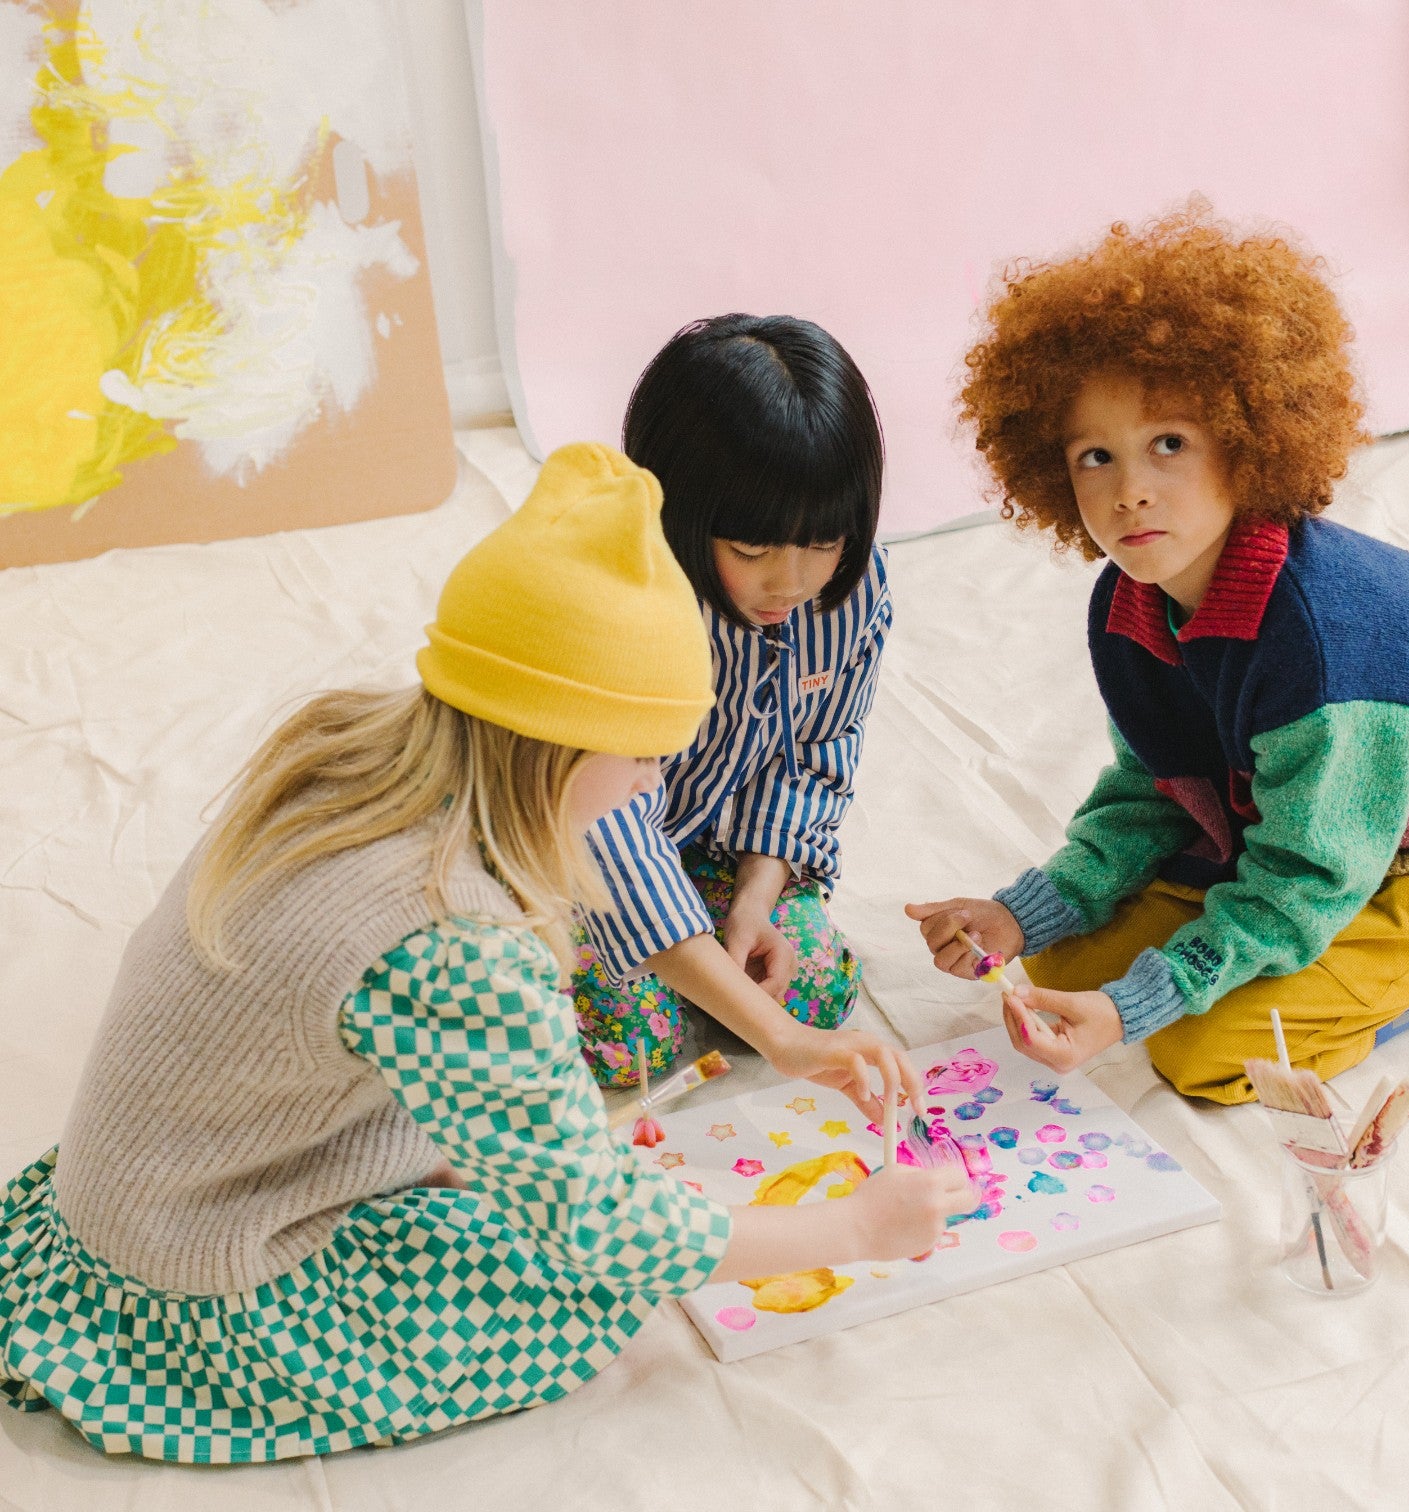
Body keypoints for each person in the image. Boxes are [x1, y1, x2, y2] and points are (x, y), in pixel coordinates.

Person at [0, 444, 971, 1462]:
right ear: (555, 744)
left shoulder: (347, 756)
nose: (649, 791)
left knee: (567, 1183)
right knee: (585, 1294)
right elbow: (600, 1236)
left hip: (138, 1201)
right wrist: (858, 1231)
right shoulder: (454, 940)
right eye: (640, 757)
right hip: (203, 1277)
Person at [910, 209, 1409, 1103]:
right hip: (1285, 815)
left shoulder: (1334, 639)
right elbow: (1153, 793)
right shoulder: (1130, 602)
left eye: (1169, 443)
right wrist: (1017, 913)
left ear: (1248, 433)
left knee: (1205, 1054)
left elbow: (1311, 872)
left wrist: (1143, 1004)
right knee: (1062, 967)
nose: (1129, 491)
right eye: (1094, 457)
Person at [574, 315, 902, 1098]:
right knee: (631, 1046)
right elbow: (601, 829)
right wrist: (779, 1041)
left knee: (812, 985)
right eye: (751, 551)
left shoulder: (852, 594)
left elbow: (817, 753)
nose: (789, 583)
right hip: (573, 858)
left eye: (824, 543)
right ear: (676, 512)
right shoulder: (612, 606)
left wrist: (756, 893)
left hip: (713, 842)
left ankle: (716, 939)